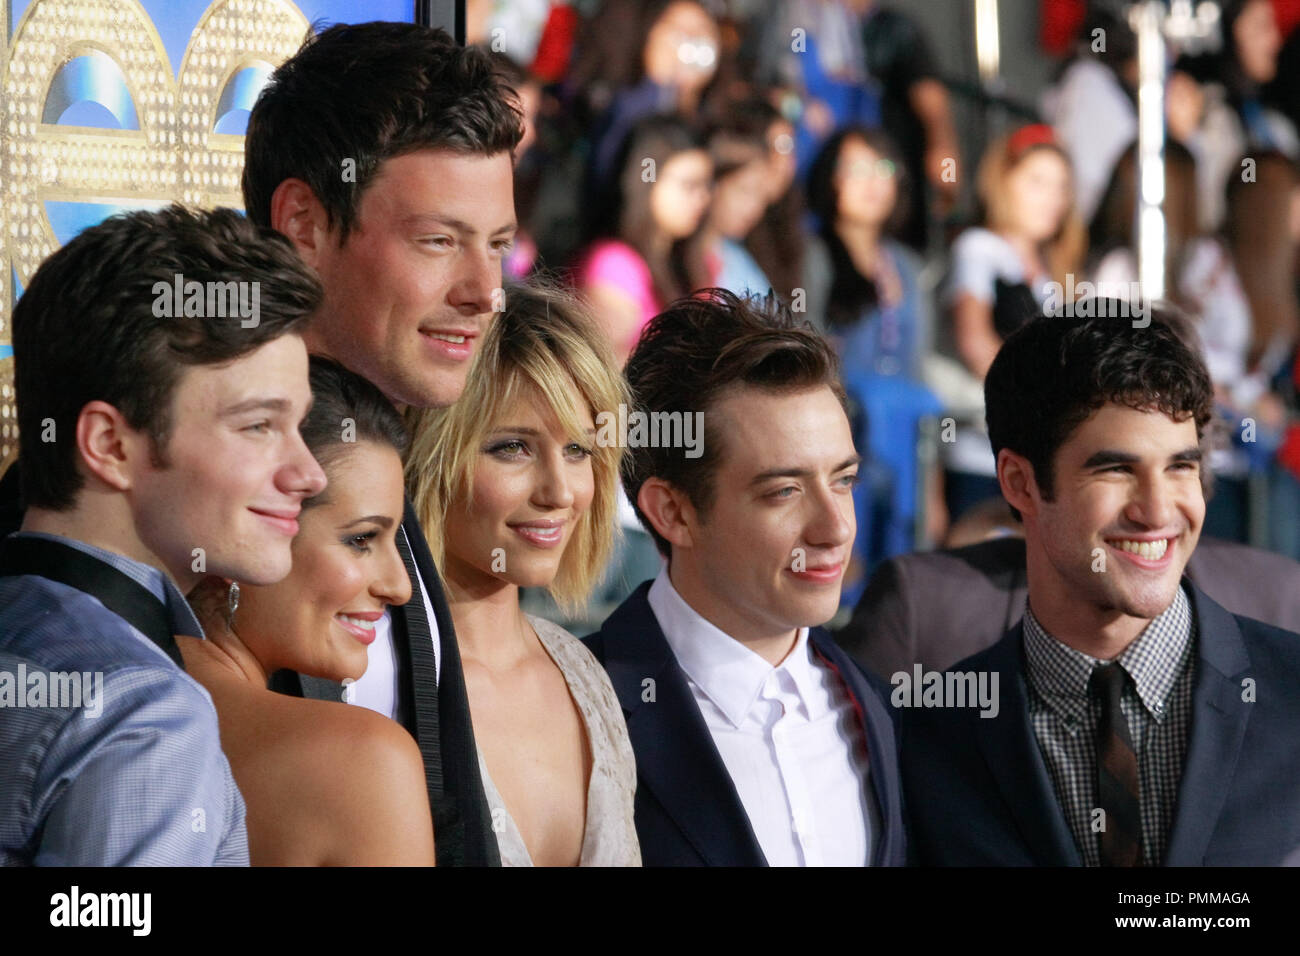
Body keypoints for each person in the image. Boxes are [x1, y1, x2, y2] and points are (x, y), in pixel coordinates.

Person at [241, 21, 523, 866]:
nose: (485, 293)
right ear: (305, 223)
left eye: (499, 247)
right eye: (438, 241)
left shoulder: (387, 468)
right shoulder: (174, 496)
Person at [902, 303, 1300, 866]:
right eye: (1115, 469)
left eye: (1180, 466)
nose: (1158, 511)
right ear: (1020, 483)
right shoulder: (932, 736)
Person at [0, 205, 327, 865]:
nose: (309, 473)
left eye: (301, 426)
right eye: (260, 425)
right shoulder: (147, 716)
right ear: (109, 444)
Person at [584, 289, 907, 867]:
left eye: (843, 480)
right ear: (673, 512)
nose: (835, 529)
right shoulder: (578, 712)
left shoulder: (885, 713)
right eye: (784, 492)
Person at [406, 283, 639, 867]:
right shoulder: (375, 680)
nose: (559, 492)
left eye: (579, 451)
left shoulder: (586, 677)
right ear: (433, 452)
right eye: (512, 448)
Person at [179, 358, 433, 865]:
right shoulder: (362, 760)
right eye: (361, 539)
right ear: (245, 532)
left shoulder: (91, 694)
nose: (400, 587)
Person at [939, 124, 1086, 520]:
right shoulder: (979, 248)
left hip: (1035, 461)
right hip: (977, 455)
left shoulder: (1057, 271)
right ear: (1004, 182)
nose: (1053, 198)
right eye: (1037, 181)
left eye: (1061, 186)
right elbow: (974, 343)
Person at [575, 114, 716, 365]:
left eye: (706, 186)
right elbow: (603, 372)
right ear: (646, 180)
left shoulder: (696, 259)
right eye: (689, 185)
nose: (702, 198)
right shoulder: (613, 265)